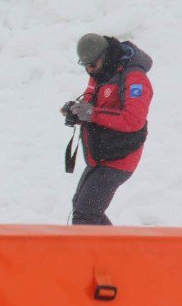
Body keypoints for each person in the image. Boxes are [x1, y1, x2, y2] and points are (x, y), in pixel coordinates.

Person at [61, 33, 152, 225]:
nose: (89, 70)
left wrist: (91, 114)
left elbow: (133, 120)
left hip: (119, 158)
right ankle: (117, 253)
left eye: (92, 64)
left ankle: (98, 254)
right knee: (82, 207)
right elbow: (92, 104)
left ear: (106, 55)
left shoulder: (135, 78)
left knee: (85, 214)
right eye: (85, 66)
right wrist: (77, 112)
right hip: (100, 155)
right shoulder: (99, 73)